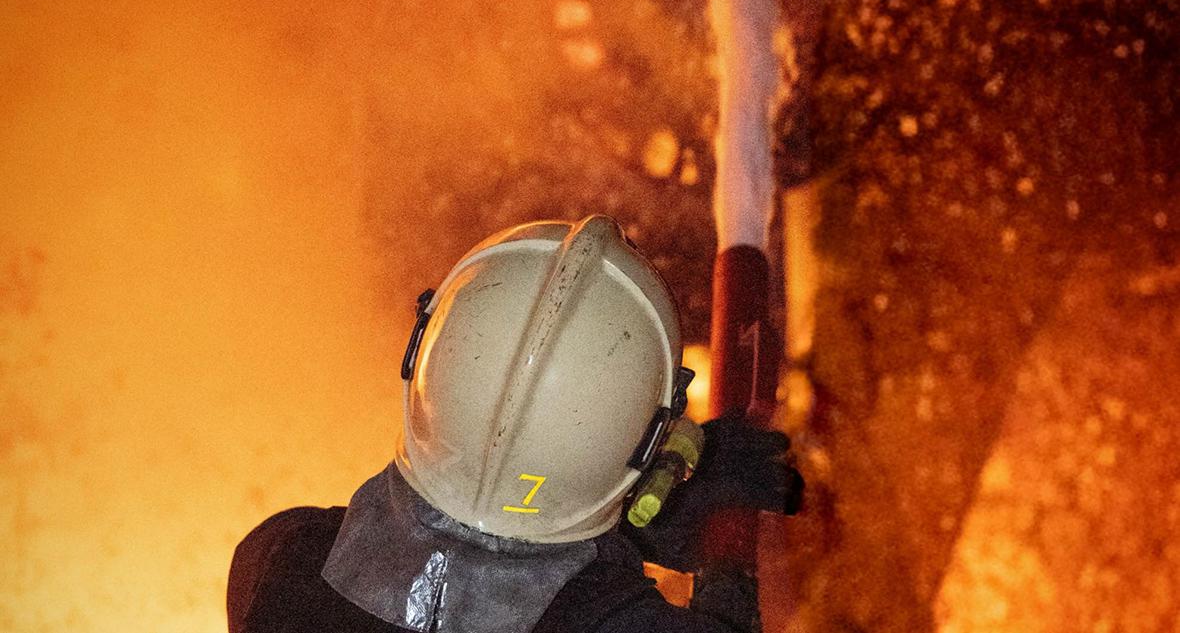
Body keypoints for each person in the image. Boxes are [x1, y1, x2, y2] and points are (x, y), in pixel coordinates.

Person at [227, 215, 803, 633]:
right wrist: (725, 569)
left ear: (424, 354)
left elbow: (449, 580)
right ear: (649, 436)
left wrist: (632, 531)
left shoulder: (276, 564)